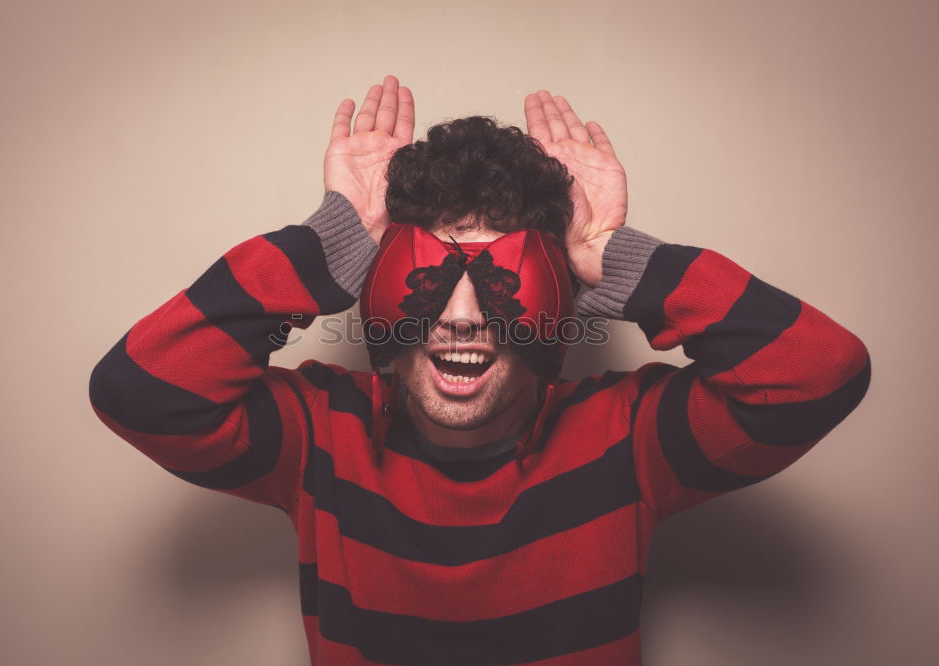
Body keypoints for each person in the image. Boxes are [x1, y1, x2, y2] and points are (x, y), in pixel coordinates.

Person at [89, 74, 871, 665]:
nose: (462, 315)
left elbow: (822, 372)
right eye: (428, 274)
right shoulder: (318, 437)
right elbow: (139, 391)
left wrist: (610, 257)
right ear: (376, 285)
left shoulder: (628, 440)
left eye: (503, 279)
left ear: (560, 291)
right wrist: (329, 241)